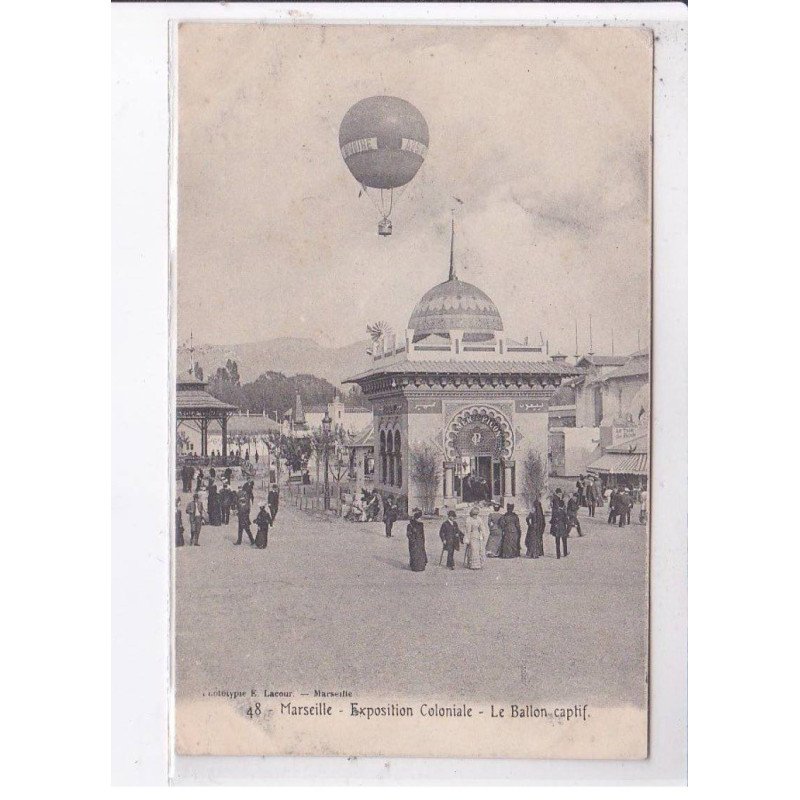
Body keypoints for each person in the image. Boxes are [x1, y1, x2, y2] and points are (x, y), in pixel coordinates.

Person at [550, 489, 569, 558]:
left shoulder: (555, 511)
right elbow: (566, 520)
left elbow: (553, 518)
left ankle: (558, 555)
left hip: (557, 527)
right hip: (562, 527)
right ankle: (565, 553)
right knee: (564, 540)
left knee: (557, 541)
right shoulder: (563, 512)